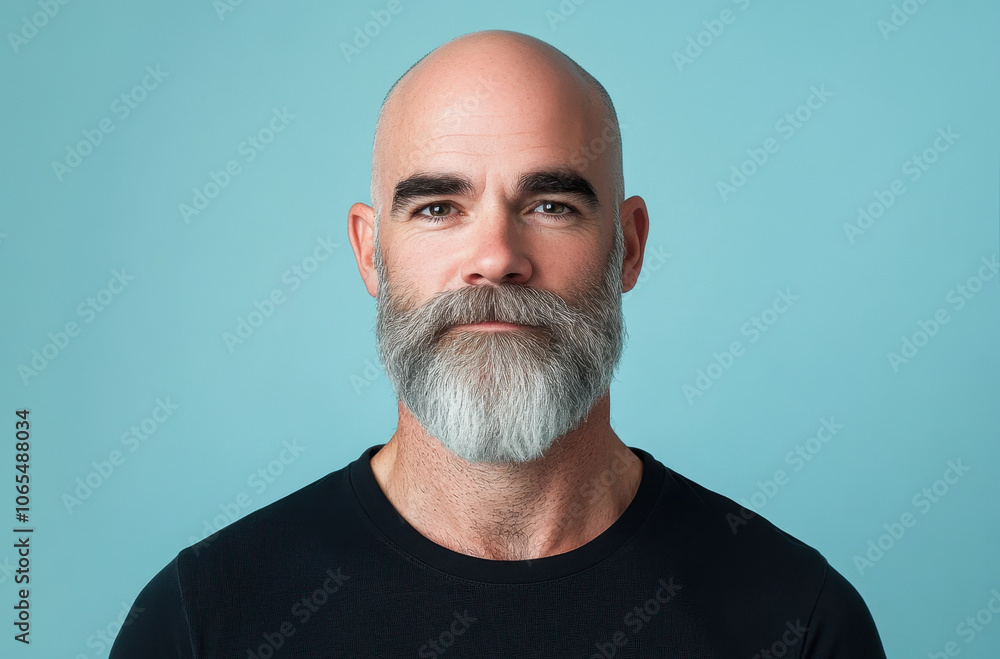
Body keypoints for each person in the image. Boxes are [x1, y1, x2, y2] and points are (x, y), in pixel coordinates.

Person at [110, 30, 887, 657]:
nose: (495, 256)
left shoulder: (799, 621)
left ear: (629, 245)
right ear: (370, 252)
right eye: (438, 207)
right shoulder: (201, 620)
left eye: (550, 204)